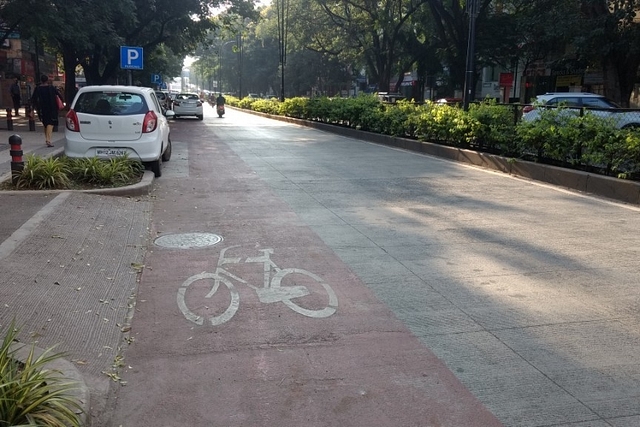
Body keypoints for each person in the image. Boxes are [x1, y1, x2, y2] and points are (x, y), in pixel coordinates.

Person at [30, 75, 62, 147]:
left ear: (41, 80)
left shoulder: (37, 89)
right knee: (50, 124)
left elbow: (33, 99)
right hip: (51, 108)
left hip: (41, 109)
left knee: (45, 123)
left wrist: (32, 109)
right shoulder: (51, 88)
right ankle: (48, 140)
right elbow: (59, 95)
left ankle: (47, 139)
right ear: (47, 80)